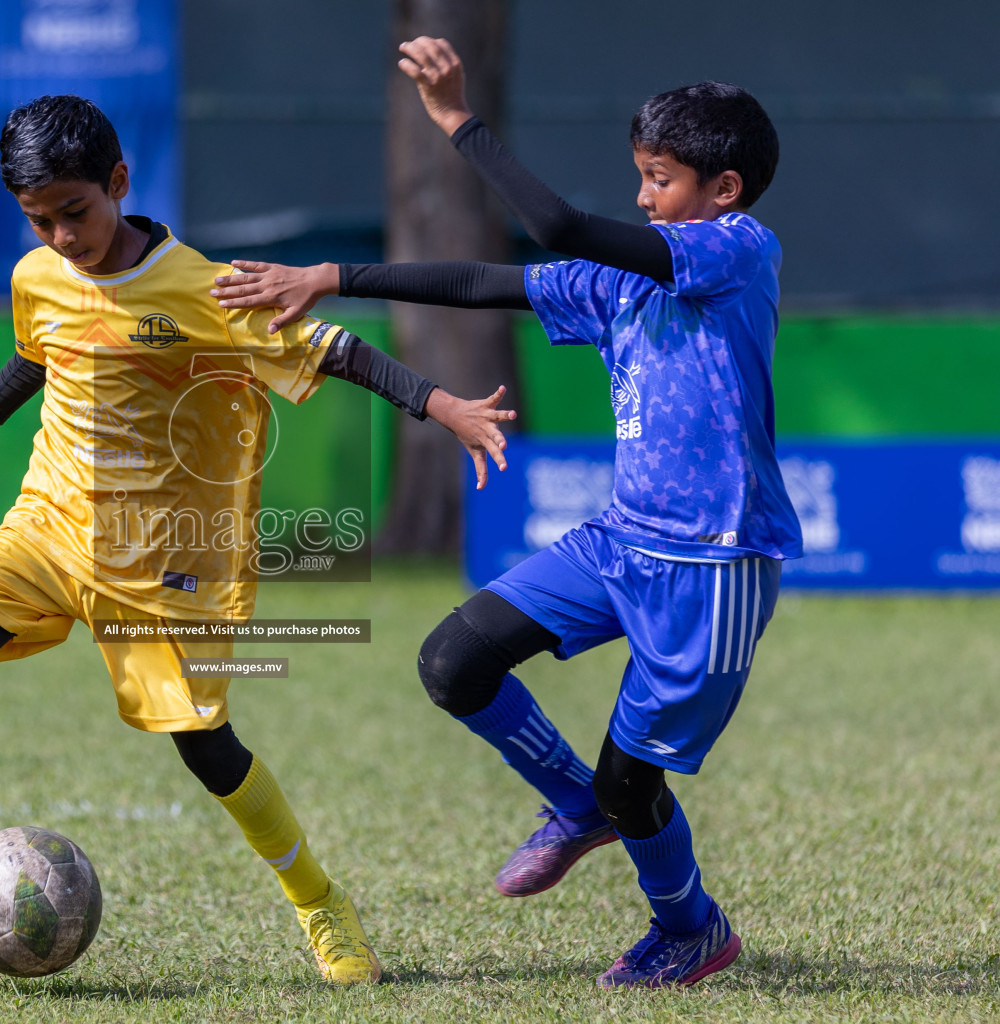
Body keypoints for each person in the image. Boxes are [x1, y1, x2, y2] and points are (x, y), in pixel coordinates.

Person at [210, 37, 802, 989]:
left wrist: (456, 122)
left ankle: (692, 928)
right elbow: (482, 280)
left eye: (660, 179)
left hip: (713, 564)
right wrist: (329, 277)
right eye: (639, 177)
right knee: (454, 660)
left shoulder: (738, 251)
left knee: (633, 779)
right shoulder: (624, 286)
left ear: (724, 188)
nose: (644, 196)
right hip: (621, 541)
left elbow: (560, 226)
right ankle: (578, 808)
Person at [0, 93, 517, 984]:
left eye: (76, 213)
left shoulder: (201, 289)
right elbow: (40, 355)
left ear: (119, 183)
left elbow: (332, 349)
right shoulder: (40, 276)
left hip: (161, 558)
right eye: (39, 222)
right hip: (48, 522)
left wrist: (443, 404)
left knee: (206, 748)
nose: (62, 238)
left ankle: (320, 904)